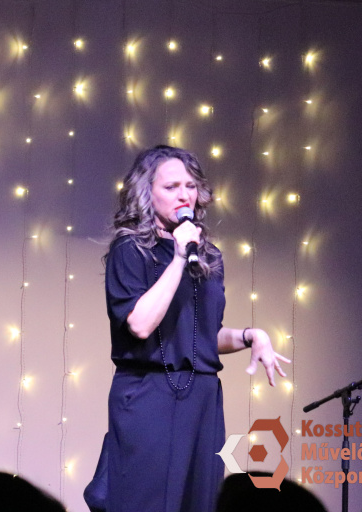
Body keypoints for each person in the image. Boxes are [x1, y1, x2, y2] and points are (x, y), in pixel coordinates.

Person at [83, 146, 290, 512]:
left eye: (191, 186)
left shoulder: (208, 256)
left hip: (201, 397)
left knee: (199, 502)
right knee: (145, 502)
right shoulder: (130, 249)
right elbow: (140, 324)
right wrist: (179, 258)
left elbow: (202, 337)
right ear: (146, 193)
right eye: (172, 187)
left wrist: (249, 336)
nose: (184, 195)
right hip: (148, 394)